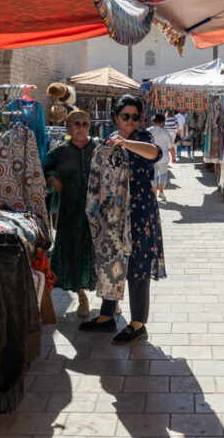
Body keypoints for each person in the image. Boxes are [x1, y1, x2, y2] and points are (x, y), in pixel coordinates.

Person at [80, 95, 165, 343]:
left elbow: (155, 153)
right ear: (117, 117)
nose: (130, 121)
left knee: (137, 261)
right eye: (125, 116)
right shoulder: (108, 142)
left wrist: (126, 144)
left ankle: (138, 323)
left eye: (135, 117)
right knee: (111, 258)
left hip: (139, 209)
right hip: (113, 212)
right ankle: (107, 316)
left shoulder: (143, 139)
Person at [45, 110, 98, 318]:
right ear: (68, 128)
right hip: (71, 212)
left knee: (100, 254)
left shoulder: (98, 147)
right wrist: (53, 181)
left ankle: (109, 299)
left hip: (98, 212)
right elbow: (43, 168)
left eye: (85, 124)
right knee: (75, 254)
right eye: (76, 124)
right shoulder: (60, 151)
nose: (81, 128)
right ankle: (82, 296)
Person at [147, 112, 176, 202]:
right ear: (163, 122)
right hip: (163, 157)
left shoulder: (148, 131)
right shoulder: (165, 132)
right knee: (163, 175)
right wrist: (173, 158)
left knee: (153, 176)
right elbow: (171, 147)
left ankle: (154, 194)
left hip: (151, 157)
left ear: (154, 121)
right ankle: (161, 192)